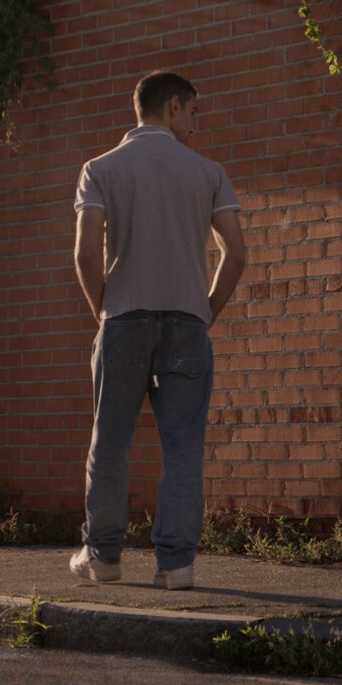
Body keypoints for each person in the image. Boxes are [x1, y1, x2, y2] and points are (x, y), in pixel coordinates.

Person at [67, 71, 246, 591]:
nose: (195, 124)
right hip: (187, 324)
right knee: (184, 445)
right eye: (193, 112)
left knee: (111, 442)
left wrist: (103, 309)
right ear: (172, 107)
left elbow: (85, 252)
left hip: (124, 319)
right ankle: (176, 565)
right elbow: (236, 254)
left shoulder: (100, 168)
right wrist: (204, 312)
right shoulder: (209, 172)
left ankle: (103, 556)